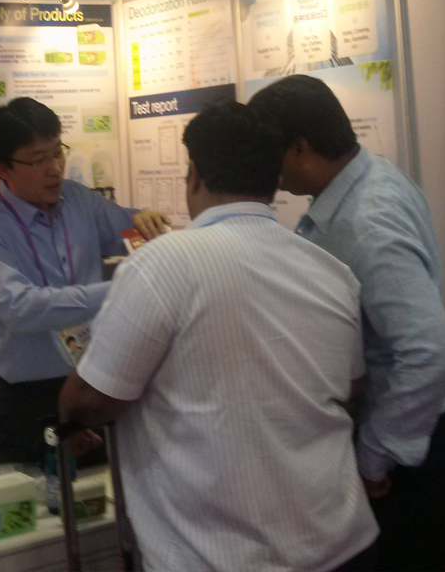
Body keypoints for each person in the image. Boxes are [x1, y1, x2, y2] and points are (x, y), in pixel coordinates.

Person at [60, 100, 378, 572]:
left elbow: (93, 399)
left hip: (218, 556)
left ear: (194, 176)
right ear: (275, 179)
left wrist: (69, 408)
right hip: (342, 544)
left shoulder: (162, 263)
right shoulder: (332, 271)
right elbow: (351, 390)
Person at [248, 75, 445, 572]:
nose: (268, 169)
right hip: (414, 427)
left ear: (299, 147)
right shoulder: (367, 182)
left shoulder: (366, 222)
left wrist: (374, 455)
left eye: (271, 152)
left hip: (408, 438)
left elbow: (431, 351)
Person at [0, 97, 168, 467]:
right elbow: (21, 308)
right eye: (38, 160)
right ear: (2, 169)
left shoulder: (79, 200)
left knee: (107, 491)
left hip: (94, 384)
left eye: (58, 152)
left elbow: (127, 229)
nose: (55, 168)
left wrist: (144, 221)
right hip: (28, 398)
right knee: (30, 498)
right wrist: (120, 290)